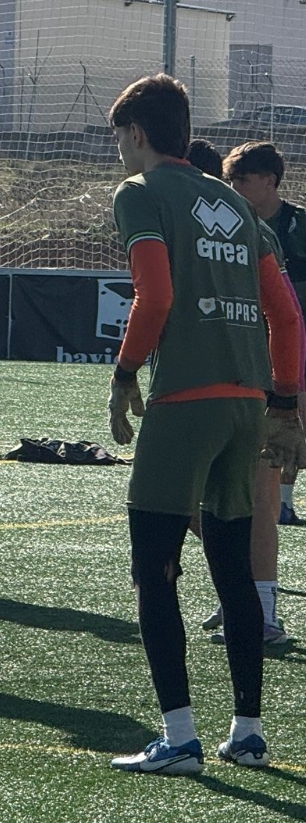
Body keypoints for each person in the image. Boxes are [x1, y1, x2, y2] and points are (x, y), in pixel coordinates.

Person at [104, 76, 302, 775]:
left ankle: (180, 737)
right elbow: (286, 316)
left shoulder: (140, 194)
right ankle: (247, 732)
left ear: (135, 134)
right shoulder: (234, 202)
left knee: (154, 570)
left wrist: (125, 373)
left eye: (119, 139)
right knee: (232, 570)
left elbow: (154, 297)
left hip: (184, 401)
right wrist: (284, 400)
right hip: (247, 404)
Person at [185, 139, 300, 647]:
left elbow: (286, 316)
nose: (233, 190)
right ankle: (240, 591)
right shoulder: (210, 226)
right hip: (217, 378)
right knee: (192, 498)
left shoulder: (284, 229)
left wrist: (289, 388)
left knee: (262, 490)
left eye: (241, 181)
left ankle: (262, 611)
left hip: (277, 374)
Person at [222, 140, 306, 526]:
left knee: (293, 420)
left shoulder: (297, 224)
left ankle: (284, 501)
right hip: (250, 344)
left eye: (242, 180)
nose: (233, 188)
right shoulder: (229, 227)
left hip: (295, 340)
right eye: (230, 180)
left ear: (270, 181)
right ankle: (265, 500)